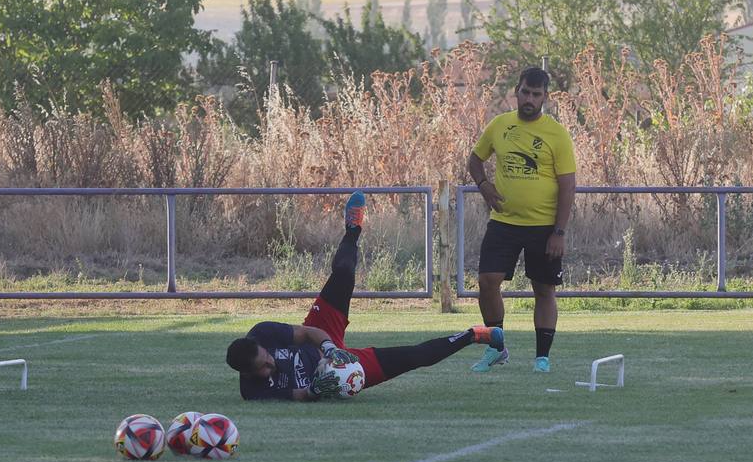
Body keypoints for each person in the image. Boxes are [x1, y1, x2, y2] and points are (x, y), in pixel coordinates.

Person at [225, 192, 500, 400]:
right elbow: (301, 397)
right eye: (263, 367)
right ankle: (474, 334)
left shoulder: (263, 333)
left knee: (344, 272)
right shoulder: (252, 390)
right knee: (414, 356)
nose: (270, 363)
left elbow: (309, 333)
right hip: (336, 372)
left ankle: (353, 231)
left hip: (323, 339)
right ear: (247, 374)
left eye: (267, 357)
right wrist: (321, 385)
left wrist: (332, 350)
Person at [465, 66, 576, 373]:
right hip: (504, 223)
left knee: (543, 290)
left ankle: (542, 357)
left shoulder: (557, 133)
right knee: (487, 283)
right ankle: (497, 348)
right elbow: (475, 159)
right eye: (525, 92)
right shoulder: (500, 125)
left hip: (543, 227)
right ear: (516, 91)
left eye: (536, 94)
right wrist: (484, 185)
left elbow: (568, 186)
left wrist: (559, 232)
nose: (529, 99)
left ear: (545, 97)